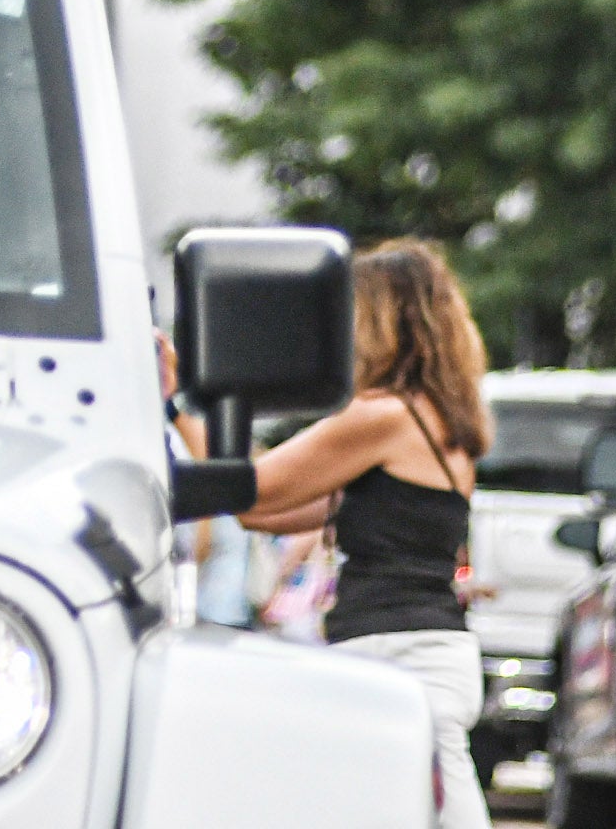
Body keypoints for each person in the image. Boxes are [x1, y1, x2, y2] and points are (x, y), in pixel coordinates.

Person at [240, 238, 493, 829]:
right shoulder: (439, 423)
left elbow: (248, 490)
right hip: (422, 652)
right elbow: (257, 512)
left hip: (399, 657)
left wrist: (179, 401)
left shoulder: (381, 418)